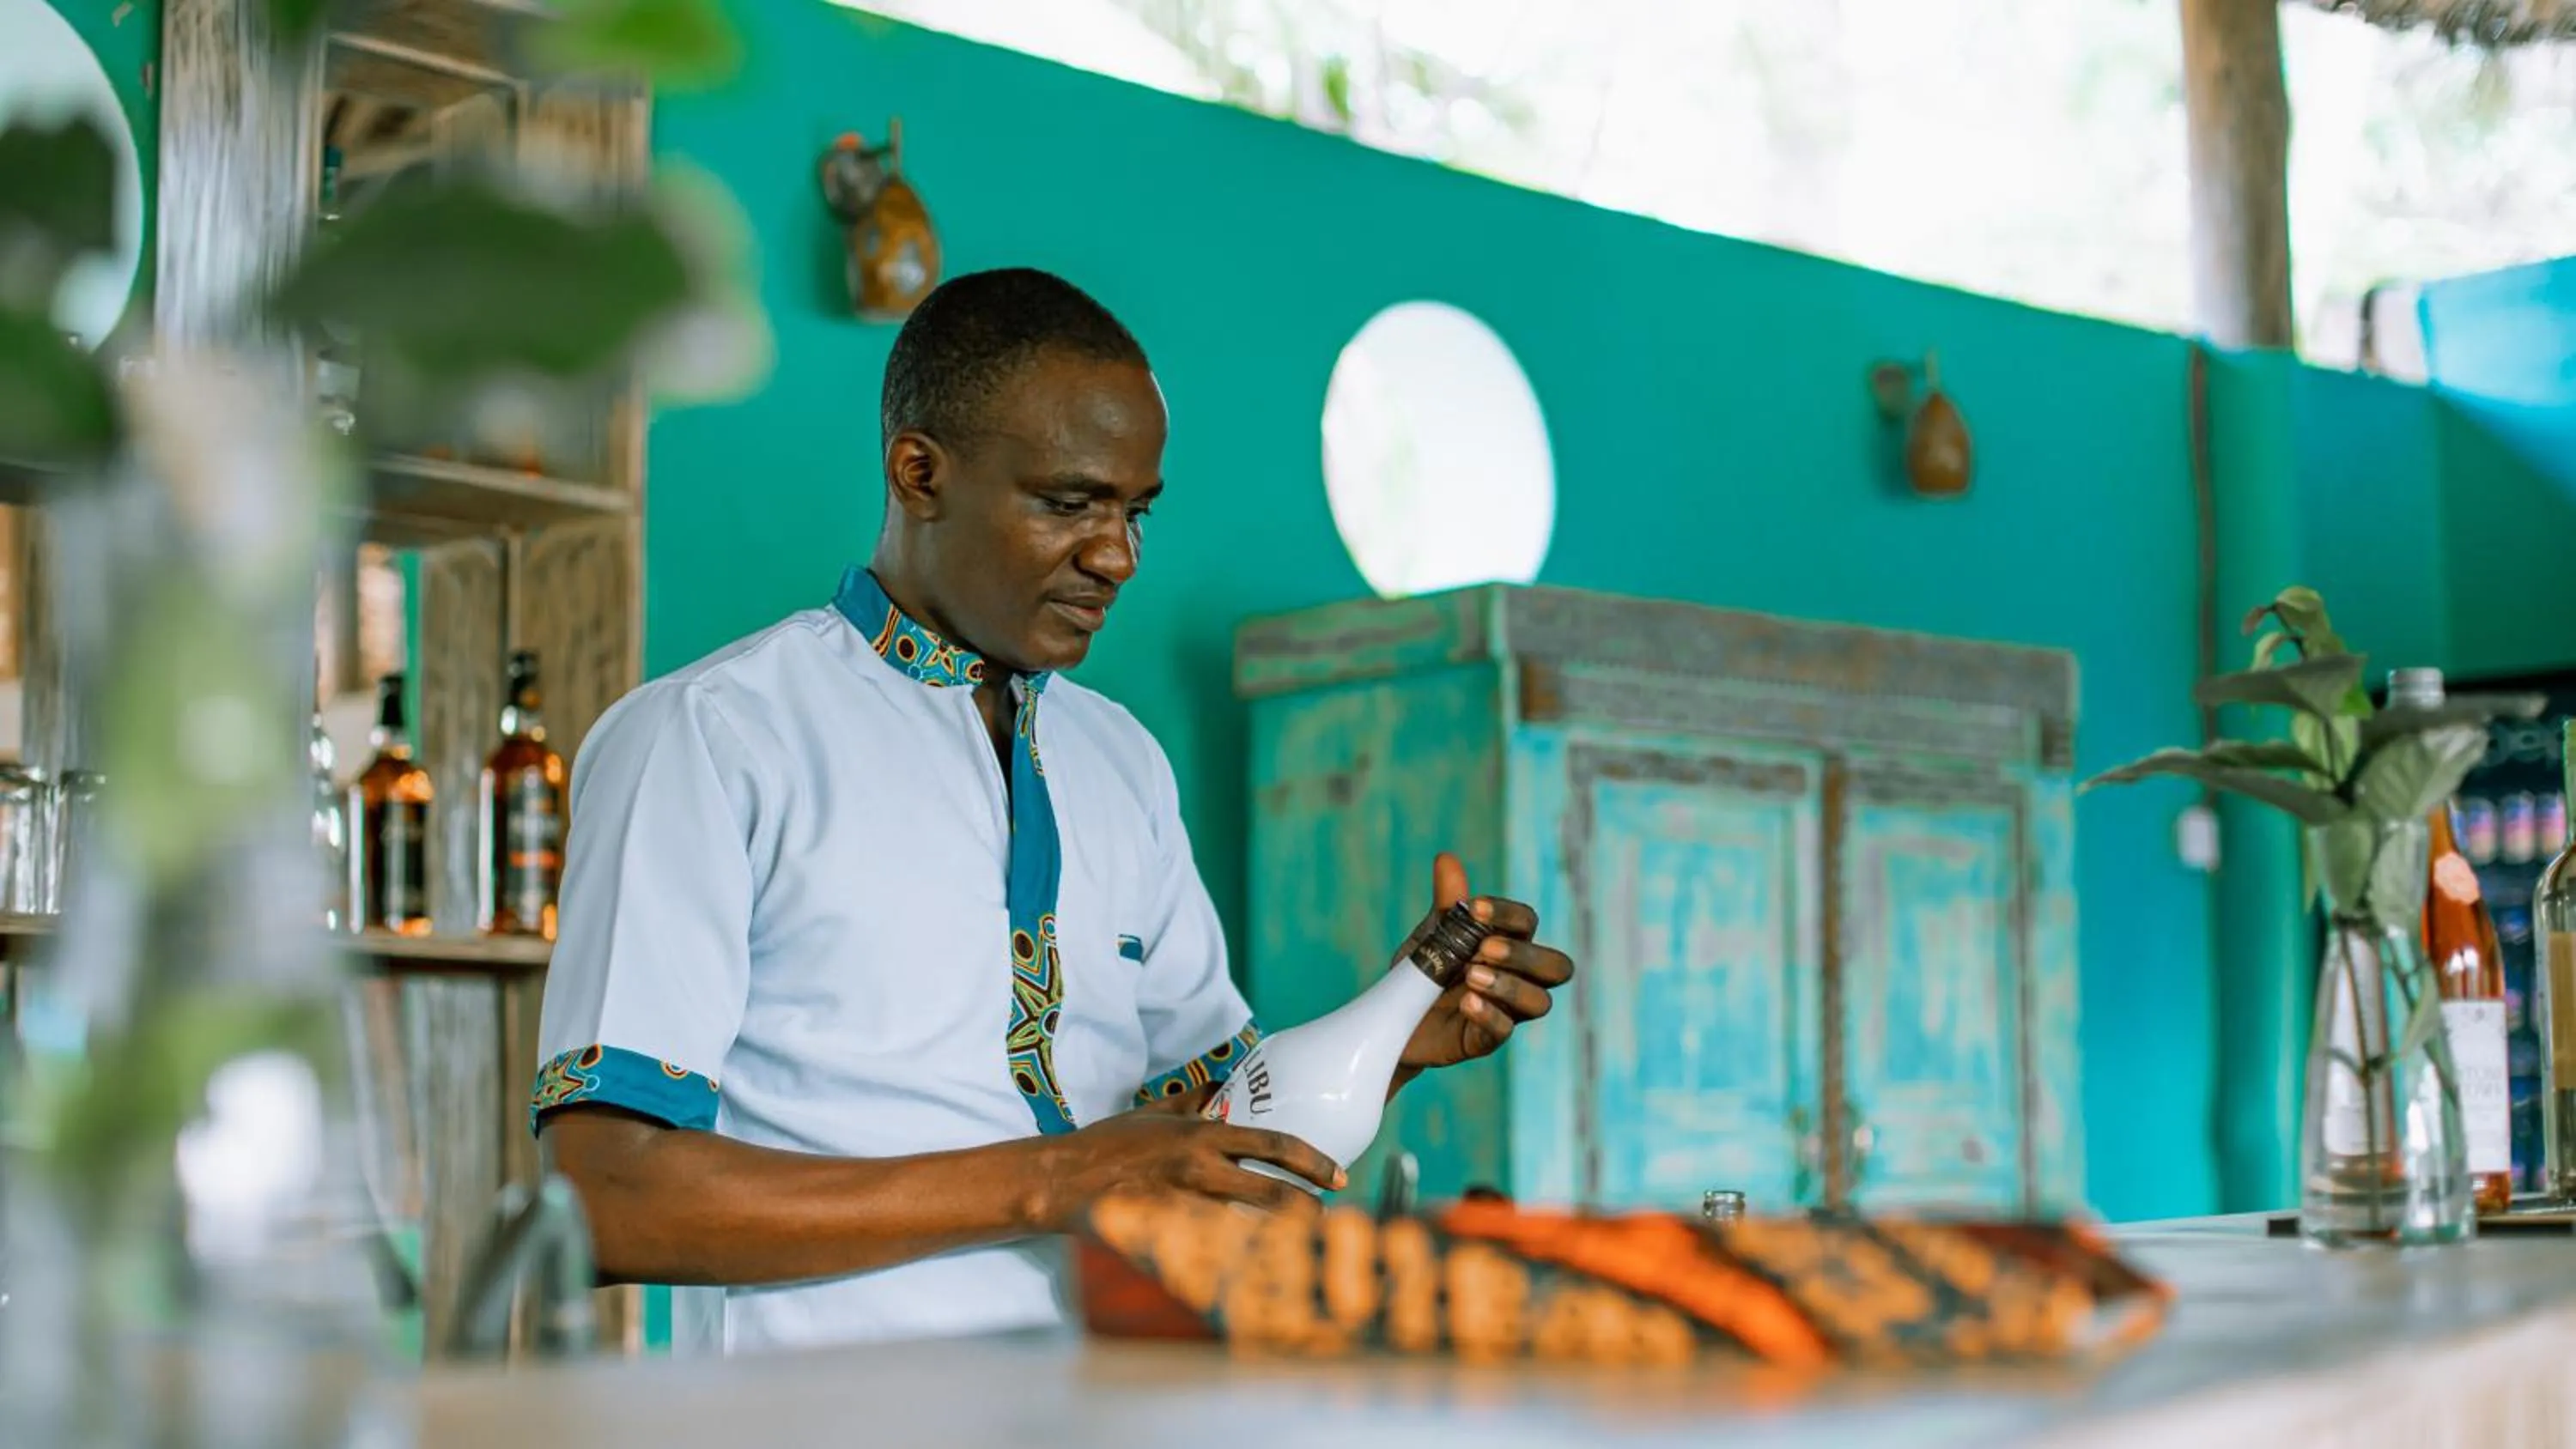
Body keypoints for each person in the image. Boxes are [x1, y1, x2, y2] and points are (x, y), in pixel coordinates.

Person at [532, 267, 1576, 1355]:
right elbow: (606, 1197)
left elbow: (1212, 1126)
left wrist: (1397, 1036)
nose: (1116, 554)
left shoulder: (1119, 759)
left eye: (1135, 510)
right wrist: (1057, 1178)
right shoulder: (713, 738)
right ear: (919, 472)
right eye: (1069, 502)